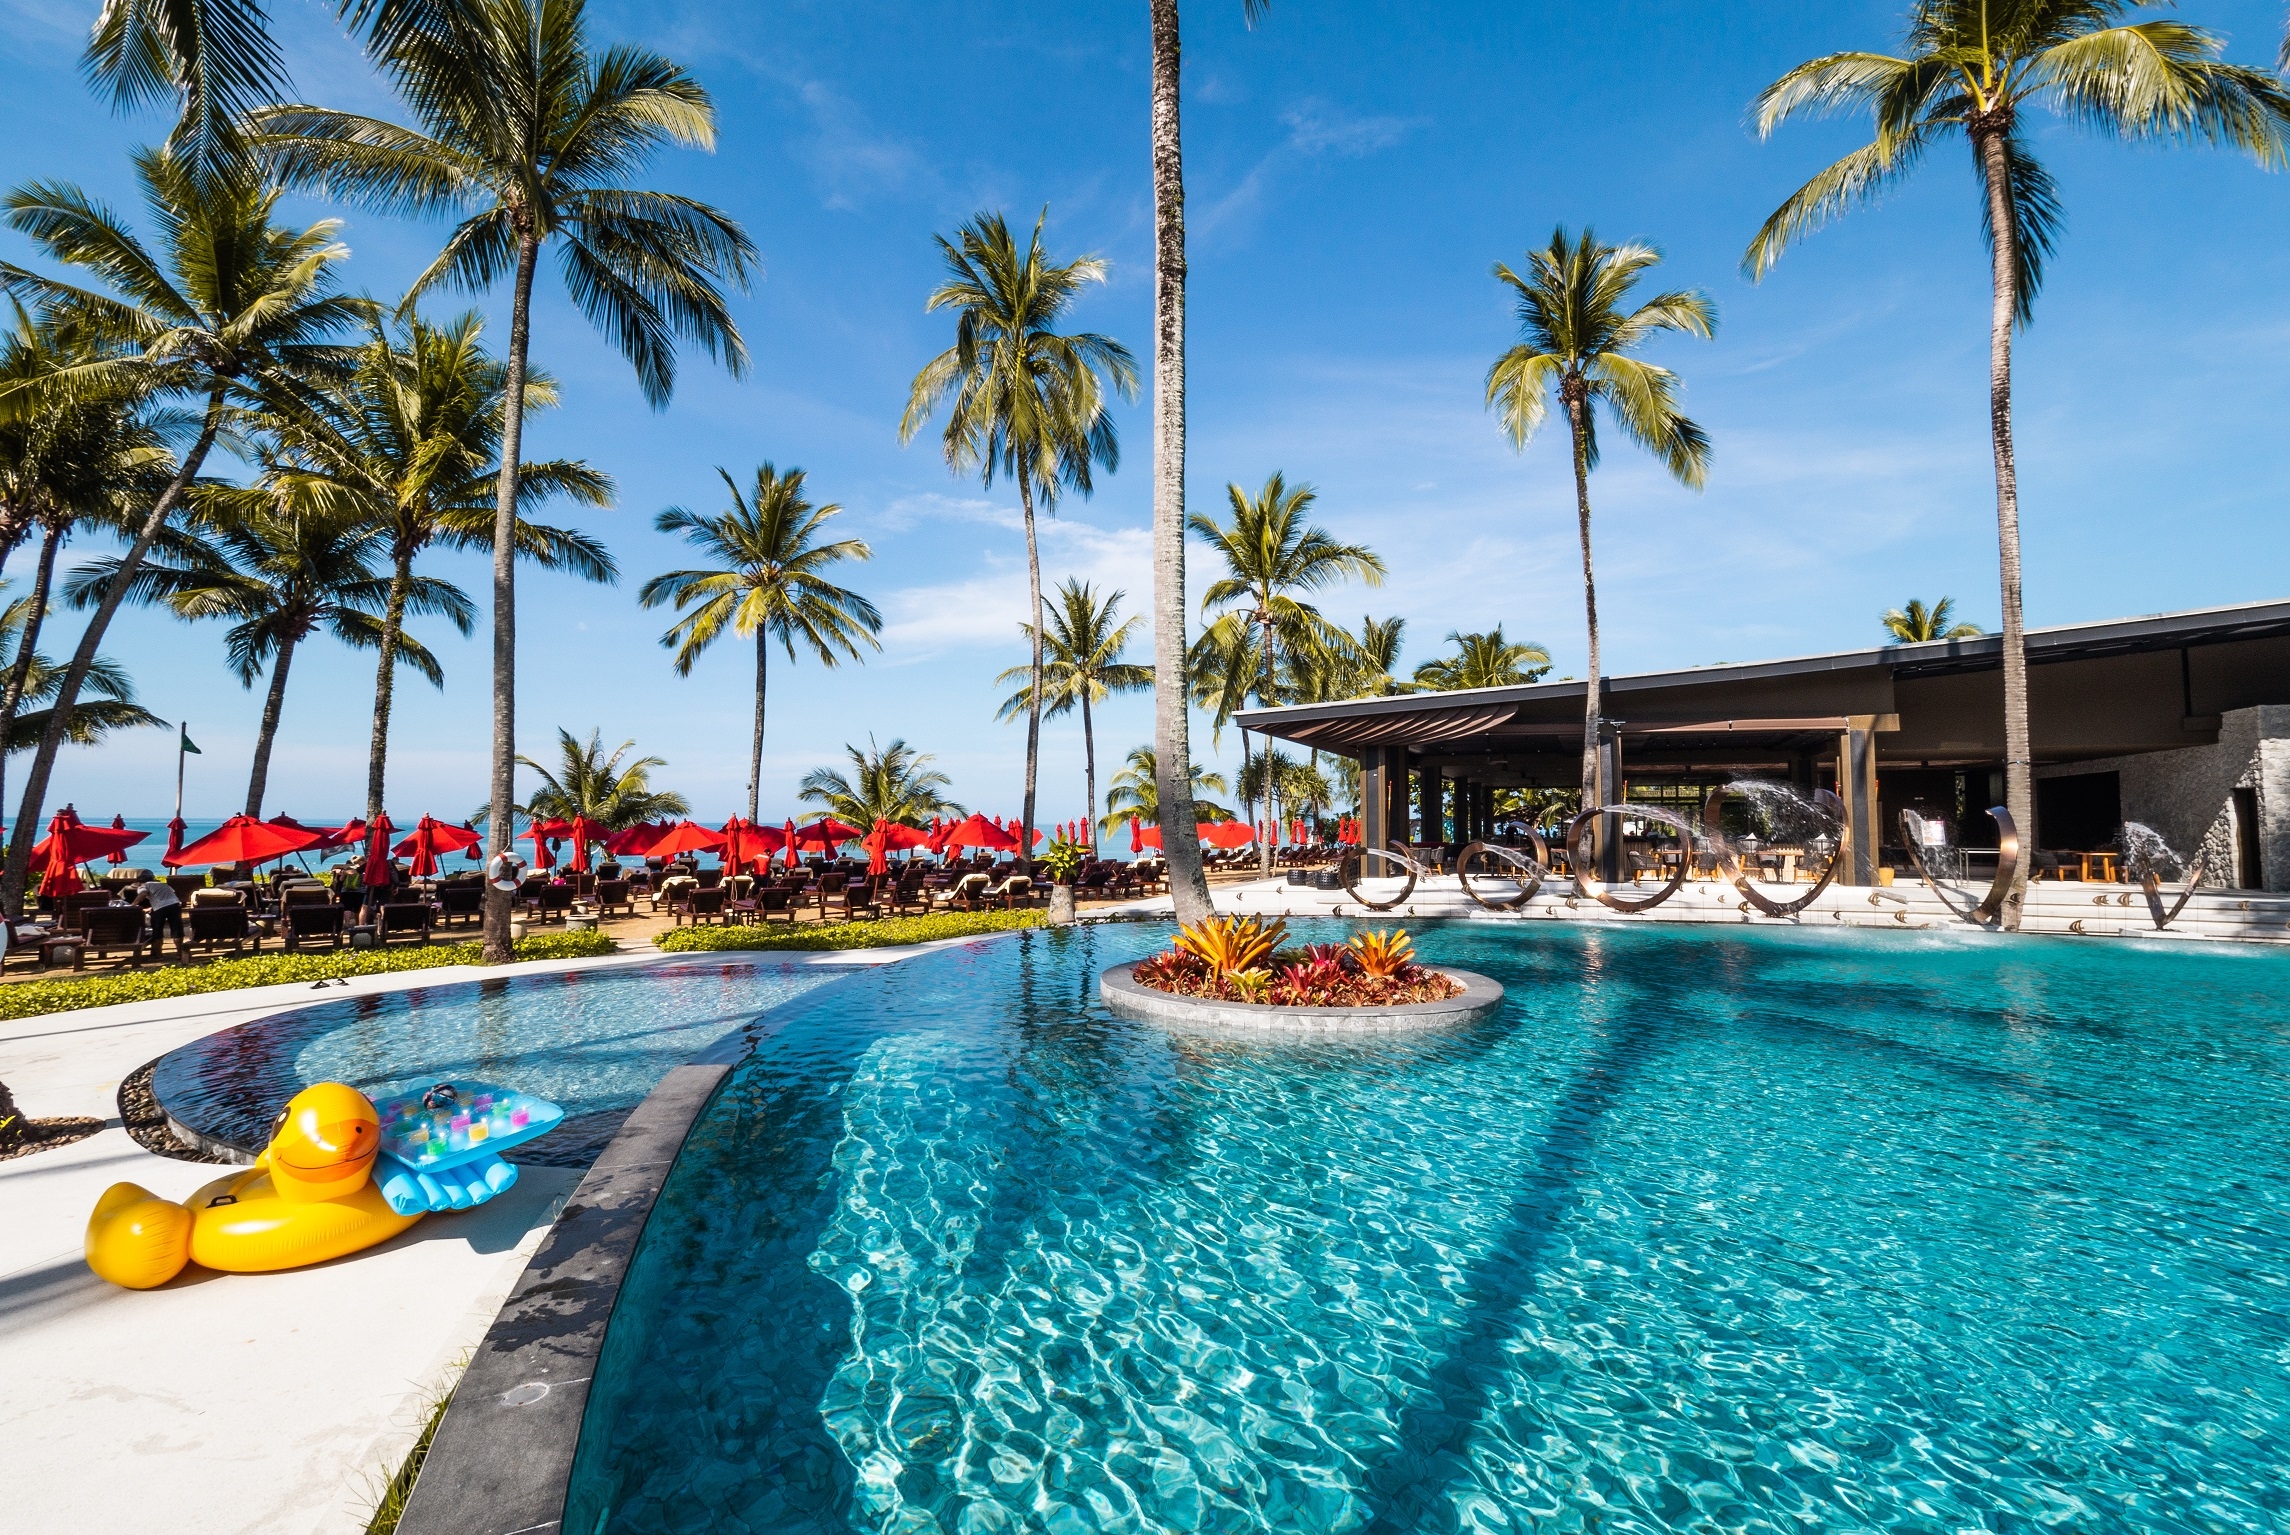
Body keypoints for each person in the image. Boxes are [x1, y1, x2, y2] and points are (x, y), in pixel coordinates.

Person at [132, 876, 187, 960]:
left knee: (157, 930)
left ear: (139, 883)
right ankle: (179, 954)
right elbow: (168, 895)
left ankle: (159, 955)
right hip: (175, 905)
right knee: (177, 929)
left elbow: (143, 894)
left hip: (160, 908)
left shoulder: (144, 886)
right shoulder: (163, 884)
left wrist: (133, 905)